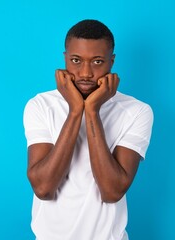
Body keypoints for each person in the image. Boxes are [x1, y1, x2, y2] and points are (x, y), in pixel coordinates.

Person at [23, 19, 154, 240]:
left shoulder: (137, 111)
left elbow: (112, 192)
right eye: (76, 60)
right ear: (65, 59)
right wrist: (75, 110)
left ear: (111, 62)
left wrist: (92, 110)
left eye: (97, 62)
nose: (85, 73)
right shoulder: (40, 105)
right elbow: (44, 188)